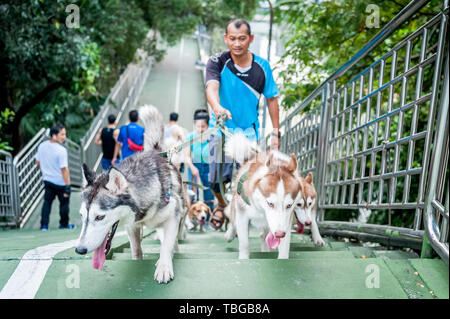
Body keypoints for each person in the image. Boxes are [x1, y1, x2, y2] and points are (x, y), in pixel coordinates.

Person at [205, 18, 281, 230]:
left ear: (250, 39)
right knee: (214, 181)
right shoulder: (216, 62)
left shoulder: (262, 67)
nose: (237, 44)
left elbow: (272, 99)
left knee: (247, 180)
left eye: (242, 39)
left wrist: (275, 132)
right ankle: (221, 204)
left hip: (249, 133)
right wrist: (218, 108)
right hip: (219, 129)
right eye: (232, 39)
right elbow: (211, 87)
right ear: (226, 39)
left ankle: (243, 215)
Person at [35, 124, 75, 231]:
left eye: (64, 134)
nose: (64, 137)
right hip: (61, 182)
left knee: (47, 203)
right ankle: (64, 224)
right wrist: (68, 185)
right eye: (62, 134)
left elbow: (37, 163)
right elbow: (64, 169)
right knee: (64, 204)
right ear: (53, 135)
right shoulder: (61, 150)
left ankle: (44, 225)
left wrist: (46, 171)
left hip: (47, 180)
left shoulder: (42, 146)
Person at [185, 109, 214, 213]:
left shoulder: (213, 136)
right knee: (193, 193)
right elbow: (187, 156)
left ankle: (208, 218)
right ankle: (193, 217)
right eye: (198, 126)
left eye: (203, 127)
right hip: (194, 166)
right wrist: (192, 167)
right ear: (194, 125)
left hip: (209, 167)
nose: (200, 129)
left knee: (209, 192)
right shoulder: (190, 136)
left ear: (208, 126)